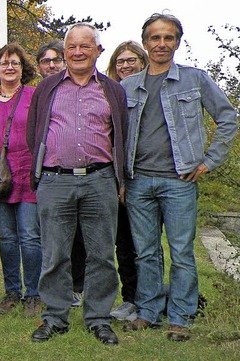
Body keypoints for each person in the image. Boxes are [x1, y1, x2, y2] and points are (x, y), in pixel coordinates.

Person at [121, 13, 237, 342]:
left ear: (177, 42)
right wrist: (120, 180)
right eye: (155, 38)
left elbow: (228, 117)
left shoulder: (195, 79)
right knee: (145, 252)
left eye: (168, 38)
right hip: (138, 181)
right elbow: (116, 136)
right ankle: (147, 311)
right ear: (145, 43)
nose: (161, 44)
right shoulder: (128, 86)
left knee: (182, 252)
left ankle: (181, 317)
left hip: (179, 181)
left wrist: (209, 161)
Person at [27, 23, 127, 346]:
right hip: (56, 180)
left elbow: (120, 134)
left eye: (86, 46)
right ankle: (55, 317)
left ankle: (98, 318)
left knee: (101, 254)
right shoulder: (47, 88)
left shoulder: (112, 89)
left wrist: (118, 177)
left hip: (100, 180)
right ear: (65, 51)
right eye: (72, 47)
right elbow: (34, 133)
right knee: (54, 253)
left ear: (98, 50)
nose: (78, 52)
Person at [0, 43, 41, 318]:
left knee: (29, 236)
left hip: (27, 171)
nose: (9, 67)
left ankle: (34, 294)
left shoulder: (33, 95)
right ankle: (12, 291)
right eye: (4, 63)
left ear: (23, 68)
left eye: (15, 63)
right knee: (6, 236)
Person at [36, 39, 84, 309]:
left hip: (87, 174)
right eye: (46, 61)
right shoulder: (40, 93)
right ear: (39, 66)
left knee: (78, 237)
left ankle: (76, 286)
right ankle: (54, 293)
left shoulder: (82, 87)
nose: (51, 65)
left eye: (56, 60)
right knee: (51, 239)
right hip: (50, 175)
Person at [104, 40, 149, 322]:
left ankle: (151, 298)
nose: (125, 65)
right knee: (123, 242)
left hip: (147, 175)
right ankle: (131, 298)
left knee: (147, 244)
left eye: (131, 60)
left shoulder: (150, 92)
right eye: (120, 61)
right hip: (117, 178)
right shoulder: (109, 95)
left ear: (143, 62)